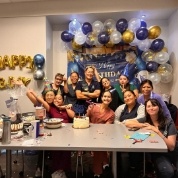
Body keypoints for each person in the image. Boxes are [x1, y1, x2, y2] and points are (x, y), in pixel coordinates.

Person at [143, 99, 177, 178]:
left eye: (154, 105)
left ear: (159, 107)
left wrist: (157, 132)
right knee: (168, 172)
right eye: (148, 106)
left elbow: (171, 147)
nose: (151, 108)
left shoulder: (168, 122)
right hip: (158, 153)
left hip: (172, 152)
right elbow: (129, 123)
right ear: (146, 109)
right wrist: (143, 126)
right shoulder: (146, 121)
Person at [114, 90, 145, 178]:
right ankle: (120, 172)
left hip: (137, 133)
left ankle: (134, 170)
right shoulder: (121, 107)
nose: (127, 98)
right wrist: (121, 124)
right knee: (120, 154)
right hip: (121, 133)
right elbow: (115, 120)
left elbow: (142, 118)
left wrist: (126, 122)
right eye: (125, 97)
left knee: (135, 154)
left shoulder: (141, 106)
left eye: (129, 95)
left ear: (135, 96)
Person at [86, 91, 114, 178]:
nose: (106, 98)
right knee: (99, 146)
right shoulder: (93, 107)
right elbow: (86, 118)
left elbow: (106, 127)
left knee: (98, 146)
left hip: (102, 135)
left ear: (111, 99)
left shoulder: (111, 114)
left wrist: (99, 132)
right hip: (89, 132)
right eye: (105, 96)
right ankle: (105, 163)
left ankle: (97, 172)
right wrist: (88, 111)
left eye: (109, 97)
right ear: (101, 98)